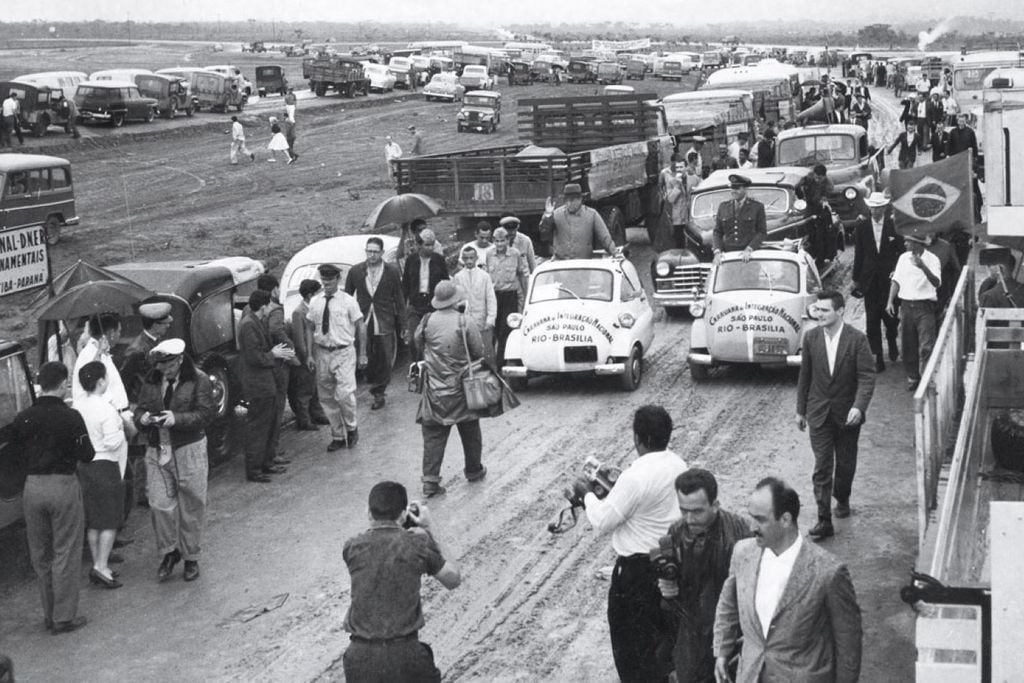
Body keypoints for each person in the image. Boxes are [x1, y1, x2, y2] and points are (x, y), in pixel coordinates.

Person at [571, 405, 688, 682]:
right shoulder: (678, 465)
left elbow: (603, 520)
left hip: (637, 573)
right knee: (664, 642)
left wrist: (586, 495)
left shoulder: (635, 477)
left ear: (638, 438)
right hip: (670, 563)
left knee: (632, 649)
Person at [712, 477, 863, 683]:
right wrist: (722, 651)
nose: (752, 527)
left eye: (761, 519)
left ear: (785, 520)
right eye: (751, 517)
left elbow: (848, 641)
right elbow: (728, 603)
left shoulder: (829, 572)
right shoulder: (742, 553)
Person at [0, 362, 94, 634]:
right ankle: (64, 617)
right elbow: (87, 454)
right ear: (63, 384)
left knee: (40, 553)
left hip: (32, 488)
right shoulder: (72, 417)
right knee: (66, 550)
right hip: (63, 486)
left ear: (40, 385)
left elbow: (10, 446)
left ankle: (48, 613)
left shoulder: (23, 418)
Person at [342, 481, 461, 682]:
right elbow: (453, 579)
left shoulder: (352, 547)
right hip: (405, 657)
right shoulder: (417, 544)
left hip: (359, 659)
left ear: (369, 513)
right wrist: (429, 528)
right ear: (404, 514)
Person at [657, 469, 752, 683]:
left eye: (697, 511)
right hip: (691, 631)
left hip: (731, 629)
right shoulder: (676, 532)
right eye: (684, 511)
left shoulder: (739, 534)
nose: (689, 519)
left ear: (715, 505)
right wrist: (666, 585)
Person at [796, 291, 876, 540]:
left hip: (847, 414)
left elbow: (867, 376)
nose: (818, 314)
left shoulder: (857, 340)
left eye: (824, 310)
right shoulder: (810, 338)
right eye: (817, 310)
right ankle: (823, 519)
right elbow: (805, 376)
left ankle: (842, 497)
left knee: (845, 464)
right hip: (818, 413)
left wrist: (859, 407)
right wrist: (800, 410)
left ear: (840, 311)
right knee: (822, 466)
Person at [134, 339, 214, 583]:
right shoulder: (152, 379)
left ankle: (191, 556)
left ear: (179, 360)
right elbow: (138, 409)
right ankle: (170, 552)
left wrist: (176, 418)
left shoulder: (199, 379)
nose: (164, 371)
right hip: (158, 446)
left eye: (169, 365)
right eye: (161, 365)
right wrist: (143, 418)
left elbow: (205, 414)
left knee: (192, 504)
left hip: (188, 447)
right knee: (159, 503)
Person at [413, 282, 489, 498]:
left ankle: (430, 482)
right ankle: (474, 470)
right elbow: (478, 350)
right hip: (462, 388)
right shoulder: (464, 321)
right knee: (470, 429)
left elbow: (417, 342)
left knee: (433, 435)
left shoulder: (426, 320)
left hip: (435, 390)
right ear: (455, 300)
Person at [75, 361, 136, 590]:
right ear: (101, 381)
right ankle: (101, 566)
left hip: (86, 466)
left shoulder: (79, 407)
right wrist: (122, 430)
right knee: (110, 519)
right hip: (106, 466)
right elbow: (112, 442)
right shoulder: (107, 408)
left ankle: (97, 564)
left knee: (93, 520)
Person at [118, 302, 174, 514]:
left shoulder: (155, 343)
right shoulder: (137, 350)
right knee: (144, 449)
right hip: (142, 405)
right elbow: (125, 379)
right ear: (156, 325)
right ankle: (143, 494)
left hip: (153, 402)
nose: (167, 326)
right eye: (164, 323)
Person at [307, 264, 368, 451]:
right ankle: (338, 435)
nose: (326, 284)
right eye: (323, 280)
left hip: (343, 351)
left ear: (337, 280)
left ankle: (352, 427)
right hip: (323, 352)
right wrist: (309, 354)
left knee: (344, 394)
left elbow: (360, 325)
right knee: (326, 397)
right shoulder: (315, 302)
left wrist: (363, 353)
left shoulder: (348, 301)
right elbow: (310, 327)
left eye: (330, 280)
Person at [239, 289, 295, 481]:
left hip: (264, 382)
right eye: (269, 304)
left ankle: (265, 463)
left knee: (266, 423)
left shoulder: (255, 322)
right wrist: (274, 354)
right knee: (258, 427)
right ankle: (254, 470)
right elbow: (254, 357)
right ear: (263, 306)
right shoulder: (249, 326)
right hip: (258, 384)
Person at [345, 237, 406, 411]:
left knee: (385, 357)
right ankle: (373, 384)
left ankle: (379, 391)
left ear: (381, 253)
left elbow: (399, 299)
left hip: (384, 318)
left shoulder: (391, 271)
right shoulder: (356, 271)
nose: (371, 255)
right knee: (365, 355)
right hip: (363, 319)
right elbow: (348, 297)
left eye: (375, 251)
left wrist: (403, 324)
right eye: (369, 251)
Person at [852, 193, 904, 371]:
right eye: (873, 207)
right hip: (870, 280)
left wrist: (898, 274)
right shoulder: (862, 227)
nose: (876, 211)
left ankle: (892, 340)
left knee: (891, 316)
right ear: (869, 208)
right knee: (872, 318)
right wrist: (856, 279)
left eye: (879, 207)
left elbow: (900, 252)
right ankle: (878, 355)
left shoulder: (893, 226)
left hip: (889, 279)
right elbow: (859, 254)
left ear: (884, 208)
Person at [887, 234, 942, 391]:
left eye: (908, 241)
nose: (905, 244)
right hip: (906, 306)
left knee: (926, 345)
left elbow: (937, 282)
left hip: (925, 306)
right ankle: (913, 377)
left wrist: (922, 266)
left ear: (918, 244)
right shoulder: (903, 258)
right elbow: (896, 280)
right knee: (907, 344)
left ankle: (926, 379)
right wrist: (890, 301)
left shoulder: (933, 259)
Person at [258, 274, 296, 470]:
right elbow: (276, 331)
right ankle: (271, 452)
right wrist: (291, 348)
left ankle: (268, 451)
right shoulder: (276, 310)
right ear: (274, 290)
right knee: (277, 409)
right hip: (278, 363)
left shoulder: (253, 307)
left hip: (266, 364)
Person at [287, 279, 329, 429]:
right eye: (318, 293)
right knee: (304, 391)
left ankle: (317, 414)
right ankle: (304, 420)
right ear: (310, 295)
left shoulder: (314, 309)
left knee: (314, 387)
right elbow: (299, 340)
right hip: (306, 358)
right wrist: (307, 357)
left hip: (316, 354)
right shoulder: (299, 313)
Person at [539, 183, 616, 260]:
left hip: (583, 263)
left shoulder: (592, 214)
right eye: (566, 200)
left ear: (580, 199)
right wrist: (548, 215)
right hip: (561, 263)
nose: (569, 204)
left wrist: (614, 252)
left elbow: (604, 237)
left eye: (572, 200)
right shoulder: (556, 214)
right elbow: (544, 233)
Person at [487, 226, 529, 364]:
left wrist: (526, 296)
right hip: (494, 296)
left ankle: (503, 364)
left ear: (508, 240)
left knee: (507, 330)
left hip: (510, 295)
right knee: (495, 330)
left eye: (502, 240)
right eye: (497, 241)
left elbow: (522, 275)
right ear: (493, 240)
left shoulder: (515, 254)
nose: (500, 244)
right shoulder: (488, 254)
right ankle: (495, 364)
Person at [73, 313, 129, 415]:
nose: (119, 335)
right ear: (111, 332)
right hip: (105, 415)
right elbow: (91, 379)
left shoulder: (101, 352)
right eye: (119, 331)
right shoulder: (90, 353)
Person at [401, 228, 450, 346]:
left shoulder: (439, 260)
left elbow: (445, 283)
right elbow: (406, 284)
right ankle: (416, 363)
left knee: (433, 339)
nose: (430, 248)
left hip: (434, 305)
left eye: (432, 245)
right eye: (427, 245)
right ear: (419, 245)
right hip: (415, 305)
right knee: (413, 339)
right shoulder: (411, 260)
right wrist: (404, 307)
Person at [453, 246, 497, 364]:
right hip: (466, 323)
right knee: (468, 354)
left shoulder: (484, 276)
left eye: (471, 258)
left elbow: (491, 299)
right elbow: (456, 301)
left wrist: (490, 320)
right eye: (466, 258)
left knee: (486, 353)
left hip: (482, 322)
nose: (469, 261)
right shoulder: (458, 277)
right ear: (462, 259)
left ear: (476, 258)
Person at [712, 174, 767, 264]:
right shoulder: (723, 207)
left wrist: (750, 249)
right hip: (727, 256)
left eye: (737, 188)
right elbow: (717, 232)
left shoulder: (757, 207)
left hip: (749, 256)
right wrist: (717, 251)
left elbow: (761, 232)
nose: (734, 191)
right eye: (732, 188)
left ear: (745, 189)